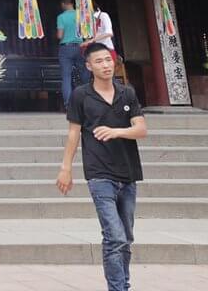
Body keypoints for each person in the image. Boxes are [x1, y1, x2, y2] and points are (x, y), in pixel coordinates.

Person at [57, 43, 147, 291]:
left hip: (128, 173)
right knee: (115, 236)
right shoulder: (81, 96)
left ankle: (122, 284)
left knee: (125, 238)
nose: (106, 65)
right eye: (99, 61)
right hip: (99, 175)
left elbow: (141, 129)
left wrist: (116, 131)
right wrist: (66, 168)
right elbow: (73, 134)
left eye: (108, 60)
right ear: (89, 66)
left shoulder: (126, 93)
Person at [56, 0, 85, 108]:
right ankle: (86, 102)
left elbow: (60, 35)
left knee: (66, 77)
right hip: (80, 47)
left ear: (63, 4)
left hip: (66, 48)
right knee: (84, 76)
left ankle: (68, 105)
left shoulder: (61, 17)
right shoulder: (80, 15)